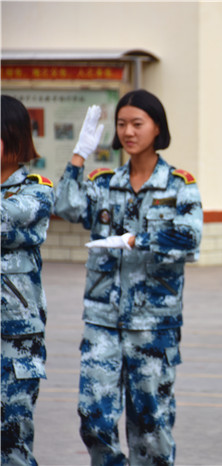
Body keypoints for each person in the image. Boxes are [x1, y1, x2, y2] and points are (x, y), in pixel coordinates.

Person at [54, 89, 203, 465]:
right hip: (103, 322)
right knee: (94, 419)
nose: (128, 132)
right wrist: (79, 156)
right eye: (121, 124)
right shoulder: (105, 182)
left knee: (151, 426)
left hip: (153, 325)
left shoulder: (179, 185)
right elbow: (66, 206)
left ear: (157, 128)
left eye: (137, 123)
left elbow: (190, 237)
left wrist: (138, 240)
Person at [1, 95, 56, 466]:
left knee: (11, 443)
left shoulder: (36, 190)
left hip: (15, 338)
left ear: (14, 136)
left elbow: (6, 218)